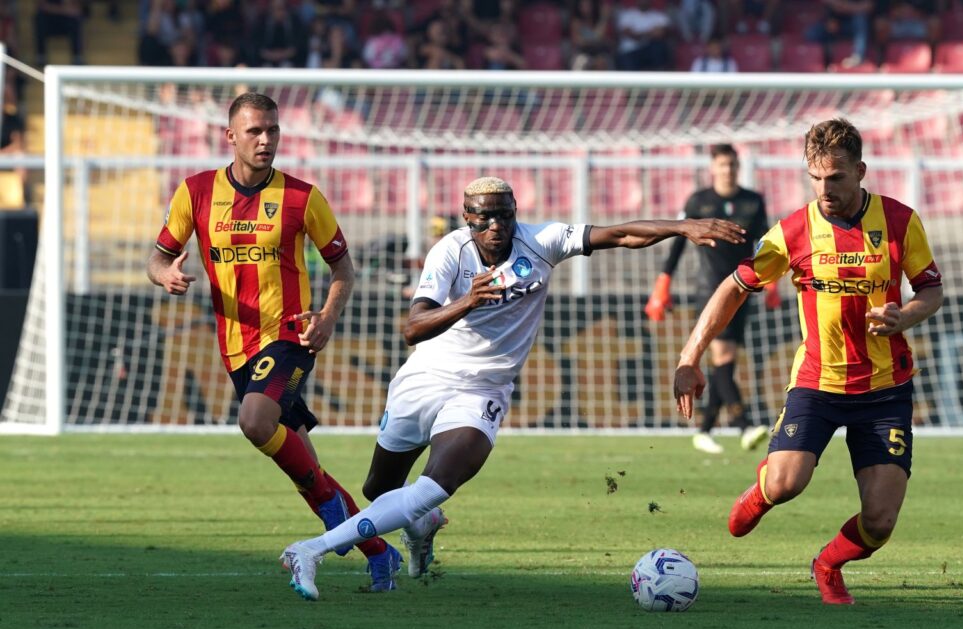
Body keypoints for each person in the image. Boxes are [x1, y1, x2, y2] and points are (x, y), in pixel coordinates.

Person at [279, 176, 746, 601]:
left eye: (504, 214)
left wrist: (683, 226)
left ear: (515, 212)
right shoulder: (450, 253)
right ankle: (421, 530)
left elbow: (620, 234)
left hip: (484, 388)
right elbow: (413, 327)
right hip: (423, 380)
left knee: (437, 483)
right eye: (484, 217)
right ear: (468, 218)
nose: (495, 225)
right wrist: (469, 299)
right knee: (381, 488)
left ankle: (311, 550)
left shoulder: (541, 241)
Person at [673, 119, 944, 605]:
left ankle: (828, 563)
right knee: (785, 485)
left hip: (885, 390)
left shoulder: (901, 221)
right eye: (815, 178)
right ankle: (763, 491)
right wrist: (690, 356)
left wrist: (905, 316)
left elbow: (931, 289)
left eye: (836, 178)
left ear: (860, 171)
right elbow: (734, 288)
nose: (825, 189)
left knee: (880, 523)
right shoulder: (792, 232)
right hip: (818, 384)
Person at [147, 92, 402, 592]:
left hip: (290, 336)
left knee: (254, 419)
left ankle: (333, 513)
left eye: (273, 131)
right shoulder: (195, 192)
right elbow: (157, 258)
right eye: (255, 132)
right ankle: (381, 553)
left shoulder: (303, 197)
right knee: (307, 469)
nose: (266, 141)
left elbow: (343, 270)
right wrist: (166, 276)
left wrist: (326, 318)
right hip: (236, 349)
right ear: (231, 137)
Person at [645, 144, 777, 454]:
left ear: (737, 166)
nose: (727, 170)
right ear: (713, 168)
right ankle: (743, 426)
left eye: (731, 164)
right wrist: (663, 281)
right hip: (709, 290)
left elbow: (766, 242)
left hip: (744, 288)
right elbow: (678, 244)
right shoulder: (699, 201)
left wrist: (771, 282)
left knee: (724, 363)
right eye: (722, 165)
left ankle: (705, 430)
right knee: (723, 358)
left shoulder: (752, 201)